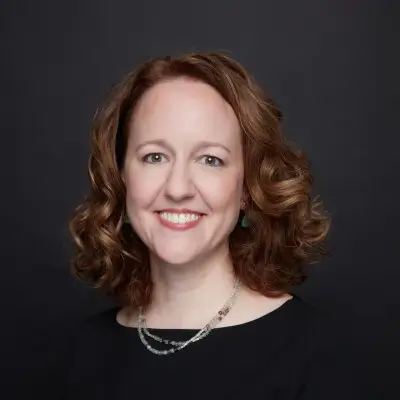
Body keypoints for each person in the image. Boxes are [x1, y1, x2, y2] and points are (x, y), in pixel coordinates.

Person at [64, 51, 363, 399]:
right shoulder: (86, 350)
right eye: (154, 157)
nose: (178, 189)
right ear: (121, 178)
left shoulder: (319, 353)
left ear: (248, 188)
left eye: (210, 160)